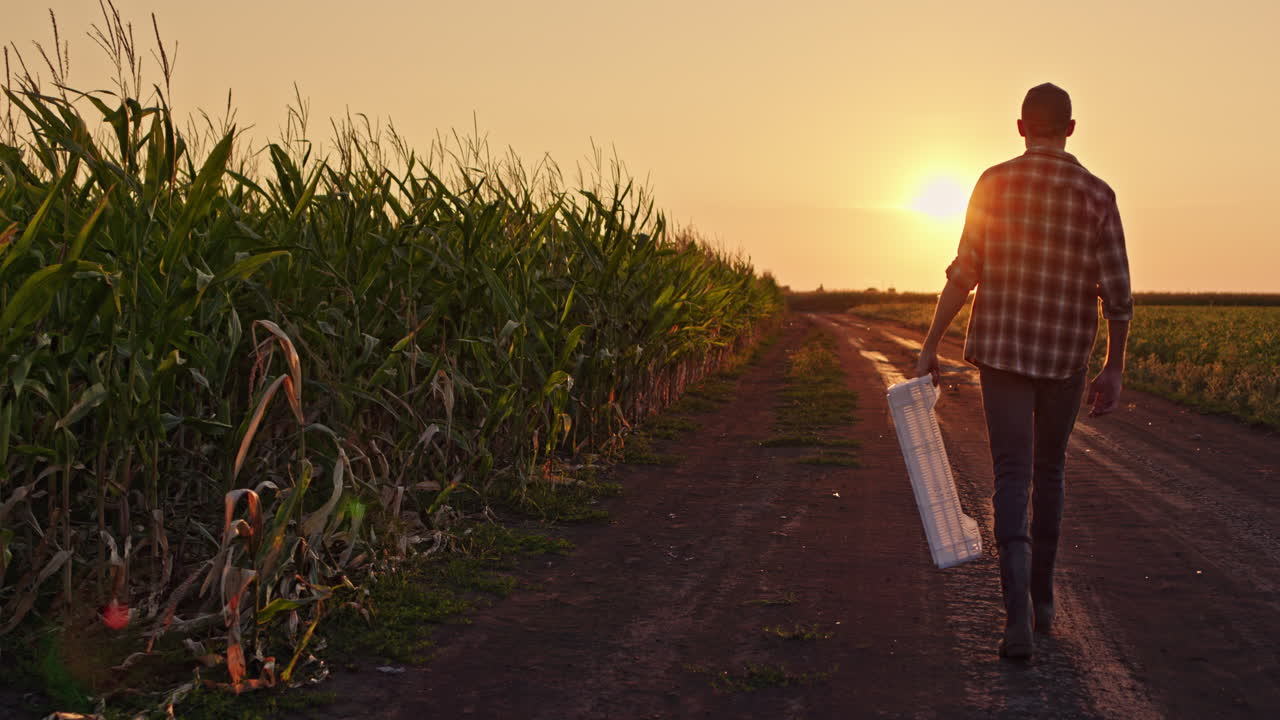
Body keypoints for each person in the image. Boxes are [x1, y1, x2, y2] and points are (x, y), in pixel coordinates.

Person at [914, 83, 1132, 659]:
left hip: (1003, 352)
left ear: (1020, 127)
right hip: (1064, 357)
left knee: (1011, 473)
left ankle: (1014, 617)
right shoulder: (1098, 195)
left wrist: (931, 343)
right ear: (1071, 128)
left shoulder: (994, 183)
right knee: (1050, 471)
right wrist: (1112, 366)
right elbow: (1118, 294)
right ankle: (1043, 604)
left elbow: (965, 272)